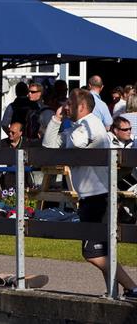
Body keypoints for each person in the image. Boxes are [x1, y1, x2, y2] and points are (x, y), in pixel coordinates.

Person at [43, 88, 137, 298]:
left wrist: (70, 132)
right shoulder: (78, 126)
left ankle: (132, 287)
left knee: (92, 253)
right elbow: (49, 144)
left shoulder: (91, 124)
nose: (65, 106)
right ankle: (113, 291)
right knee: (103, 250)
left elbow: (76, 143)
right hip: (91, 197)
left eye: (69, 103)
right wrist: (57, 119)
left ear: (82, 106)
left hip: (99, 197)